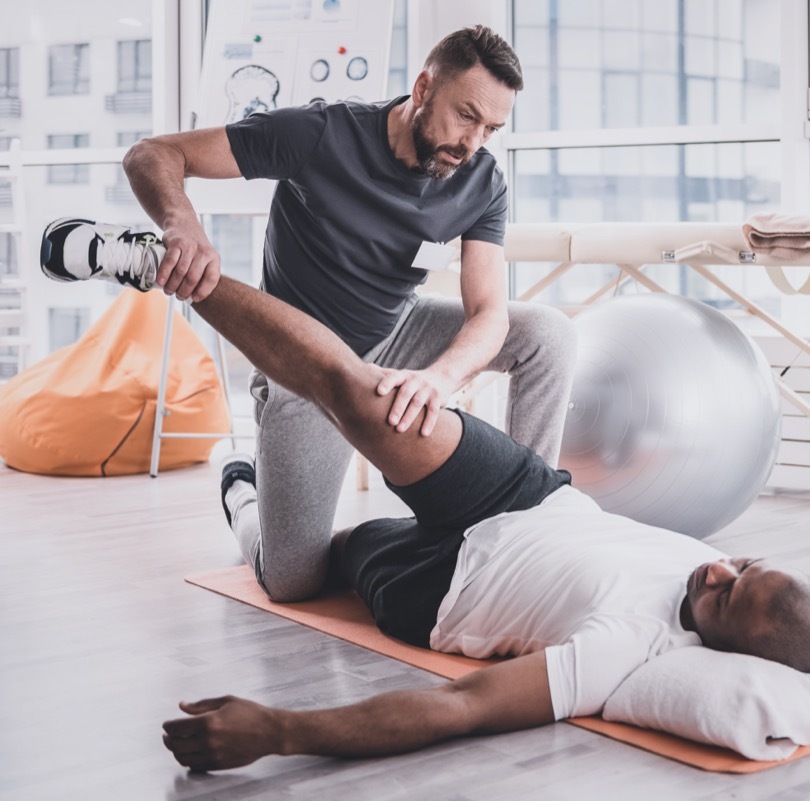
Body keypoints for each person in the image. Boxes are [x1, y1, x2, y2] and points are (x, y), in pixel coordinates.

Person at [41, 225, 810, 774]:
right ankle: (162, 266)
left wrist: (281, 733)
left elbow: (459, 709)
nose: (719, 566)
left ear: (721, 644)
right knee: (361, 394)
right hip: (525, 494)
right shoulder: (781, 602)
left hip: (439, 585)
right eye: (744, 565)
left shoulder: (625, 653)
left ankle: (245, 496)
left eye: (721, 595)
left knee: (298, 569)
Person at [119, 24, 578, 603]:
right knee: (292, 581)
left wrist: (439, 378)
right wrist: (181, 224)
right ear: (422, 87)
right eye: (466, 116)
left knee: (550, 334)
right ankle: (242, 488)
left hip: (398, 331)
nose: (474, 142)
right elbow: (153, 154)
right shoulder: (319, 133)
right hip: (304, 364)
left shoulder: (480, 181)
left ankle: (524, 522)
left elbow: (489, 313)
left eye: (491, 128)